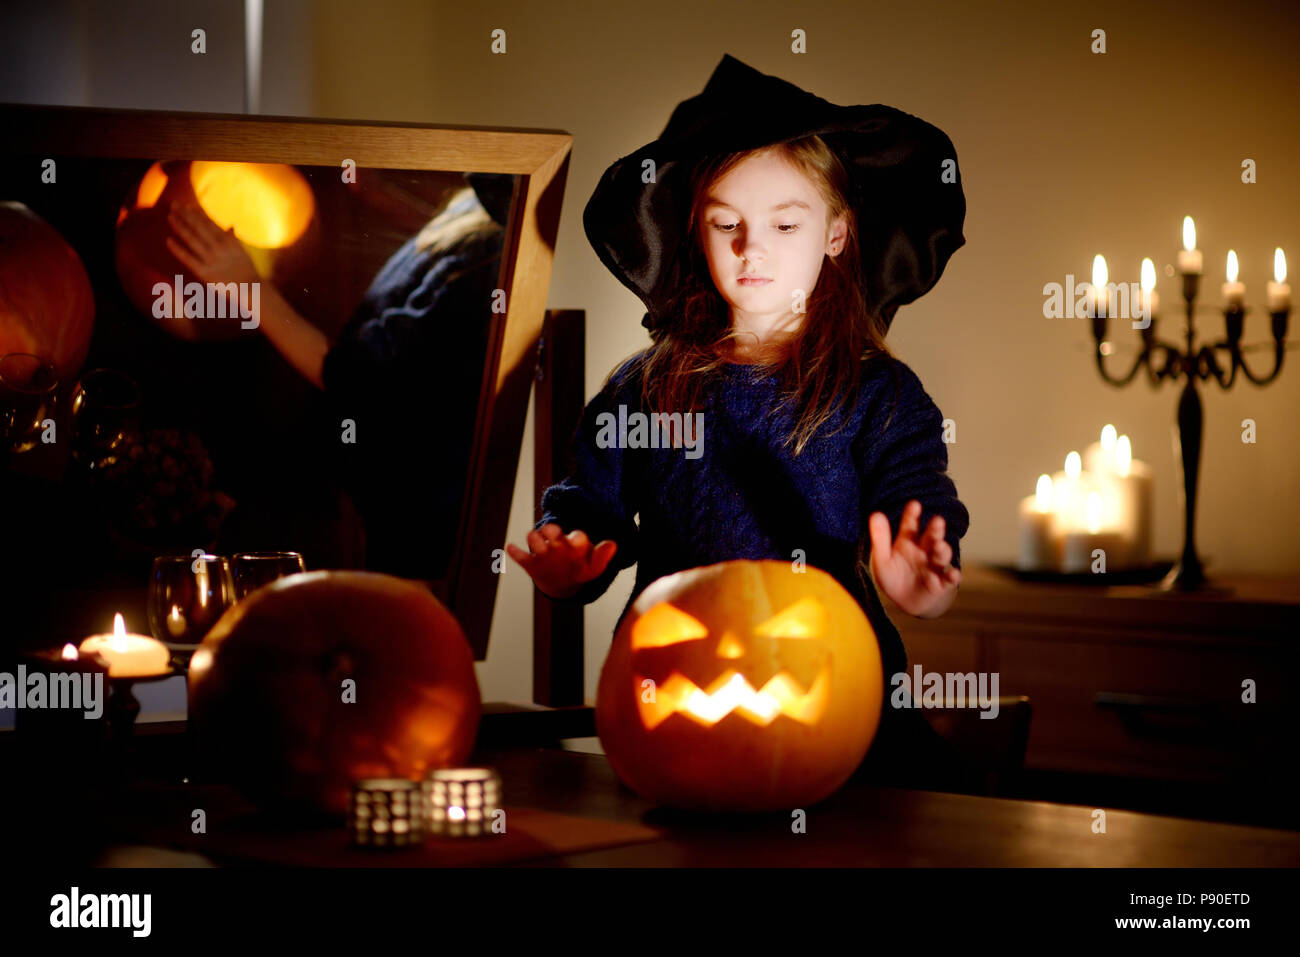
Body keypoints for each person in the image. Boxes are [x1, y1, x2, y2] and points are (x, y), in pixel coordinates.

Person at [505, 54, 979, 794]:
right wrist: (569, 562)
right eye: (726, 222)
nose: (751, 247)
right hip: (678, 686)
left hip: (841, 713)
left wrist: (924, 586)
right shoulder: (644, 388)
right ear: (696, 229)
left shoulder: (877, 393)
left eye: (785, 222)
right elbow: (587, 510)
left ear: (836, 233)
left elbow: (920, 514)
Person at [165, 172, 511, 578]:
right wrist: (384, 195)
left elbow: (356, 377)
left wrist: (247, 290)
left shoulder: (489, 265)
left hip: (406, 514)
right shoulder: (479, 210)